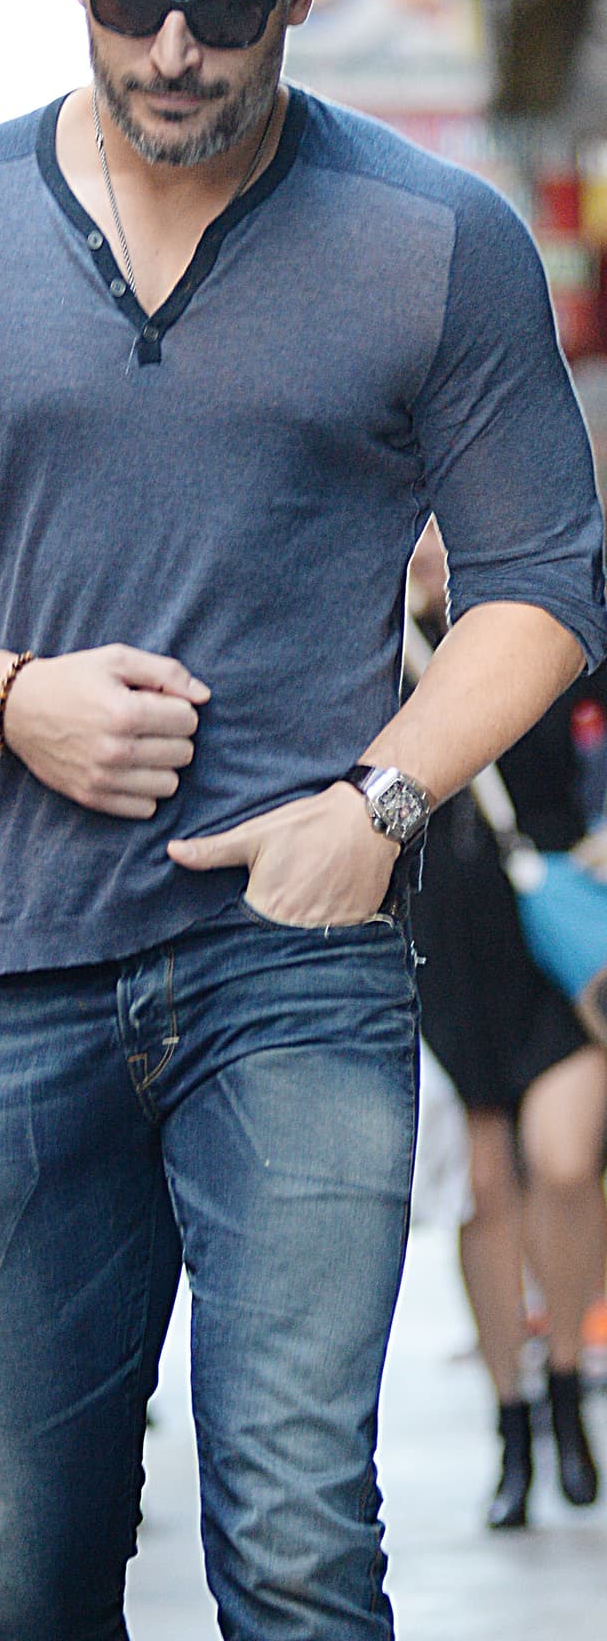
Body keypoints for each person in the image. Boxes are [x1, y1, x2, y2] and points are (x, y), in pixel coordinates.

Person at [0, 0, 607, 1641]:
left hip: (293, 972)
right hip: (13, 968)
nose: (169, 51)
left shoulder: (434, 242)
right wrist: (8, 697)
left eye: (221, 13)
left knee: (301, 1544)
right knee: (23, 1569)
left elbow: (546, 584)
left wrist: (376, 808)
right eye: (127, 2)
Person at [410, 535, 607, 1529]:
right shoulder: (378, 635)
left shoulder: (549, 611)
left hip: (554, 928)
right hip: (437, 939)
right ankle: (513, 1423)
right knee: (482, 1186)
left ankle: (568, 1377)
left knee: (563, 1160)